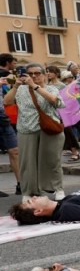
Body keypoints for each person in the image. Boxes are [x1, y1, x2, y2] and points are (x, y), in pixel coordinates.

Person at [3, 63, 65, 202]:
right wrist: (15, 86)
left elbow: (55, 101)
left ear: (44, 75)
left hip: (49, 129)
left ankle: (58, 188)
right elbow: (7, 102)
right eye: (30, 73)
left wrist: (35, 86)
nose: (33, 76)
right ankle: (29, 191)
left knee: (52, 160)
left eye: (37, 73)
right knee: (27, 163)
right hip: (26, 129)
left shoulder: (51, 88)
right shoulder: (20, 90)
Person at [0, 58, 20, 197]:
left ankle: (21, 184)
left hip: (3, 118)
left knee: (15, 151)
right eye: (13, 62)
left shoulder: (9, 75)